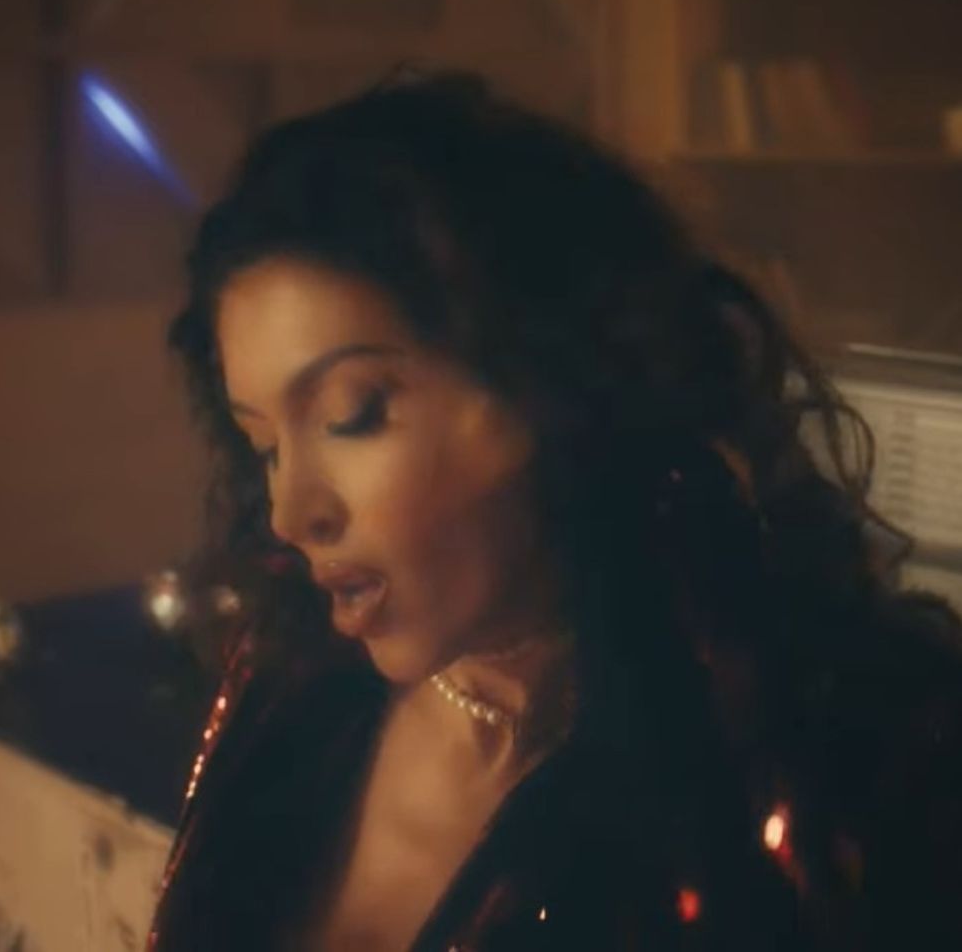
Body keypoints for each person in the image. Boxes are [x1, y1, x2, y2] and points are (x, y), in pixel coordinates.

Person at [147, 71, 962, 951]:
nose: (290, 512)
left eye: (355, 413)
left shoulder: (813, 766)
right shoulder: (285, 689)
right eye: (265, 445)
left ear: (545, 385)